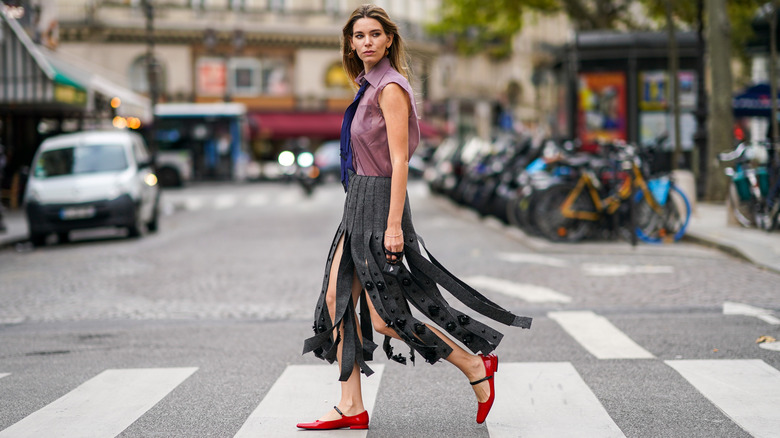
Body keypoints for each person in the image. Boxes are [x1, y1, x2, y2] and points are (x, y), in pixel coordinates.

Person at [297, 4, 532, 431]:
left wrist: (392, 226)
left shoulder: (390, 88)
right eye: (358, 36)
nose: (366, 42)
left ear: (389, 40)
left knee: (386, 317)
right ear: (350, 42)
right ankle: (351, 405)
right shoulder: (366, 85)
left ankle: (473, 363)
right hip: (358, 202)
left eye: (374, 35)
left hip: (381, 202)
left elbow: (400, 160)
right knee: (335, 300)